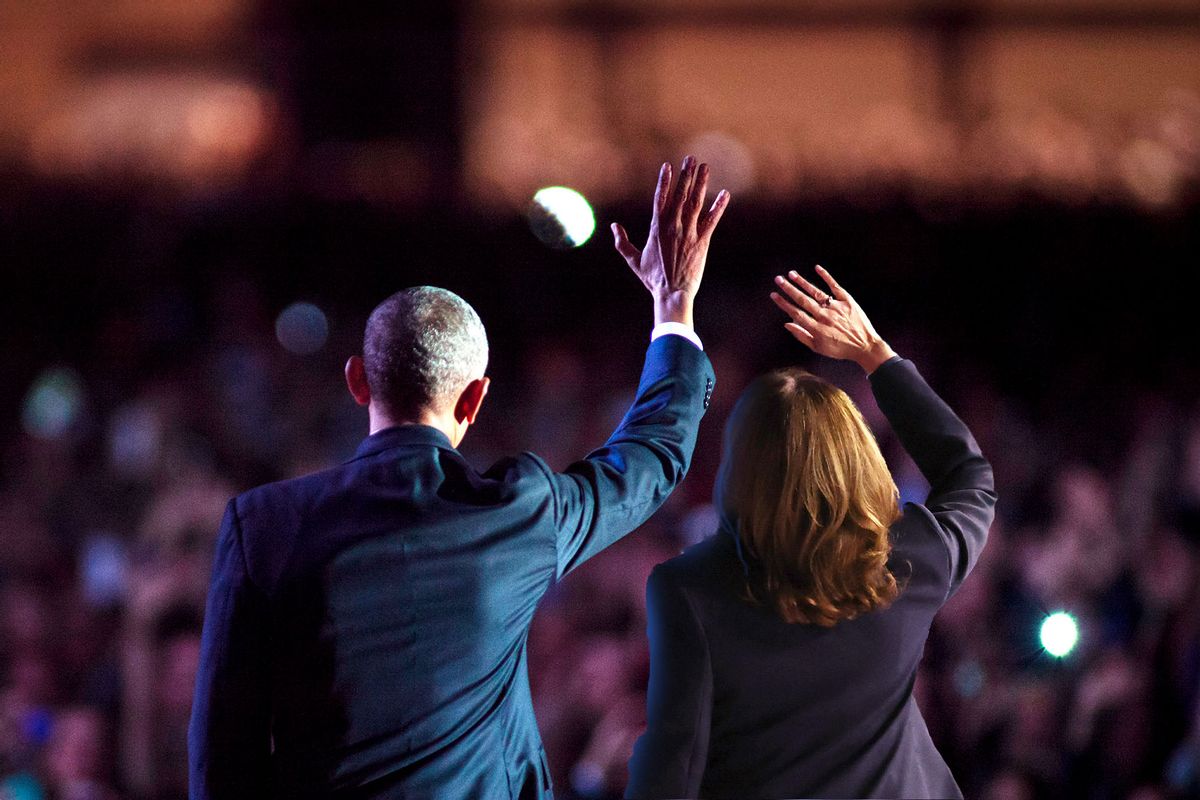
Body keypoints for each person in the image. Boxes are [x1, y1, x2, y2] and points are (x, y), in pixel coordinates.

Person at [187, 157, 729, 798]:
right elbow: (650, 455)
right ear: (474, 400)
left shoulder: (264, 526)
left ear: (357, 380)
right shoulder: (520, 514)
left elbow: (222, 748)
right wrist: (673, 312)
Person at [626, 267, 997, 799]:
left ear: (742, 468)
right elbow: (969, 475)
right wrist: (875, 355)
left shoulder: (691, 589)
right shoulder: (907, 557)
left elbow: (672, 769)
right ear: (858, 455)